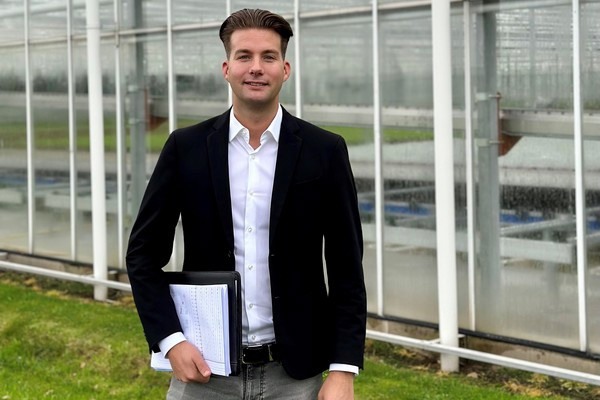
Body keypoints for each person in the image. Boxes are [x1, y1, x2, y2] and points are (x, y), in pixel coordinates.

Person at [126, 8, 366, 400]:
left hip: (294, 377)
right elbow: (142, 254)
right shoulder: (186, 148)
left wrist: (343, 369)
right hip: (205, 370)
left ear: (285, 69)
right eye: (244, 56)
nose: (256, 67)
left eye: (268, 56)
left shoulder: (324, 151)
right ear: (227, 68)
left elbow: (346, 267)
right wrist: (170, 340)